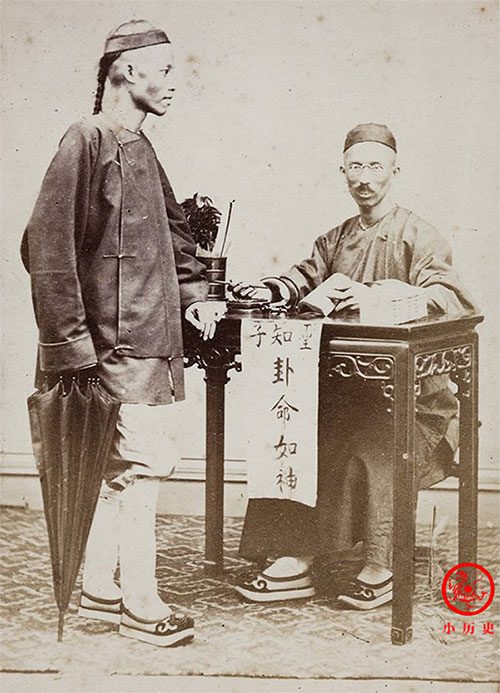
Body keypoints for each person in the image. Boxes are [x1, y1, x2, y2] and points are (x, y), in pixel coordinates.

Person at [21, 20, 223, 646]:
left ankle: (102, 588)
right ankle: (140, 603)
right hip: (106, 354)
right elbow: (45, 249)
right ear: (128, 71)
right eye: (164, 70)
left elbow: (177, 232)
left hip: (151, 347)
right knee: (138, 471)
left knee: (123, 469)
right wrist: (72, 350)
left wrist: (193, 297)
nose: (173, 83)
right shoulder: (85, 139)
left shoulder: (141, 147)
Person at [232, 123, 477, 609]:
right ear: (343, 172)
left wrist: (380, 296)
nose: (365, 178)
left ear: (394, 171)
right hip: (347, 392)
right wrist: (272, 290)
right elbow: (303, 276)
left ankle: (383, 565)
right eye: (356, 167)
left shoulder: (419, 235)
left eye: (375, 167)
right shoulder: (337, 237)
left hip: (410, 400)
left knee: (376, 445)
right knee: (292, 432)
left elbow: (446, 297)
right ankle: (294, 558)